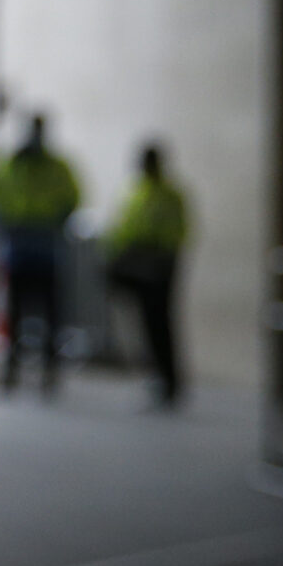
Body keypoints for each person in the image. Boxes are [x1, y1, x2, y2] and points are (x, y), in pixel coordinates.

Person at [0, 114, 81, 397]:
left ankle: (49, 369)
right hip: (18, 251)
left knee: (50, 314)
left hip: (46, 251)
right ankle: (12, 367)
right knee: (15, 313)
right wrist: (1, 225)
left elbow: (72, 199)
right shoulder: (9, 165)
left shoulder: (57, 167)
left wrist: (52, 222)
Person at [105, 142, 189, 406]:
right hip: (137, 262)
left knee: (160, 323)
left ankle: (168, 381)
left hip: (159, 265)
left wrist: (157, 258)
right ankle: (154, 374)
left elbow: (177, 232)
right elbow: (124, 228)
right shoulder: (136, 192)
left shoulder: (169, 195)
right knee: (145, 322)